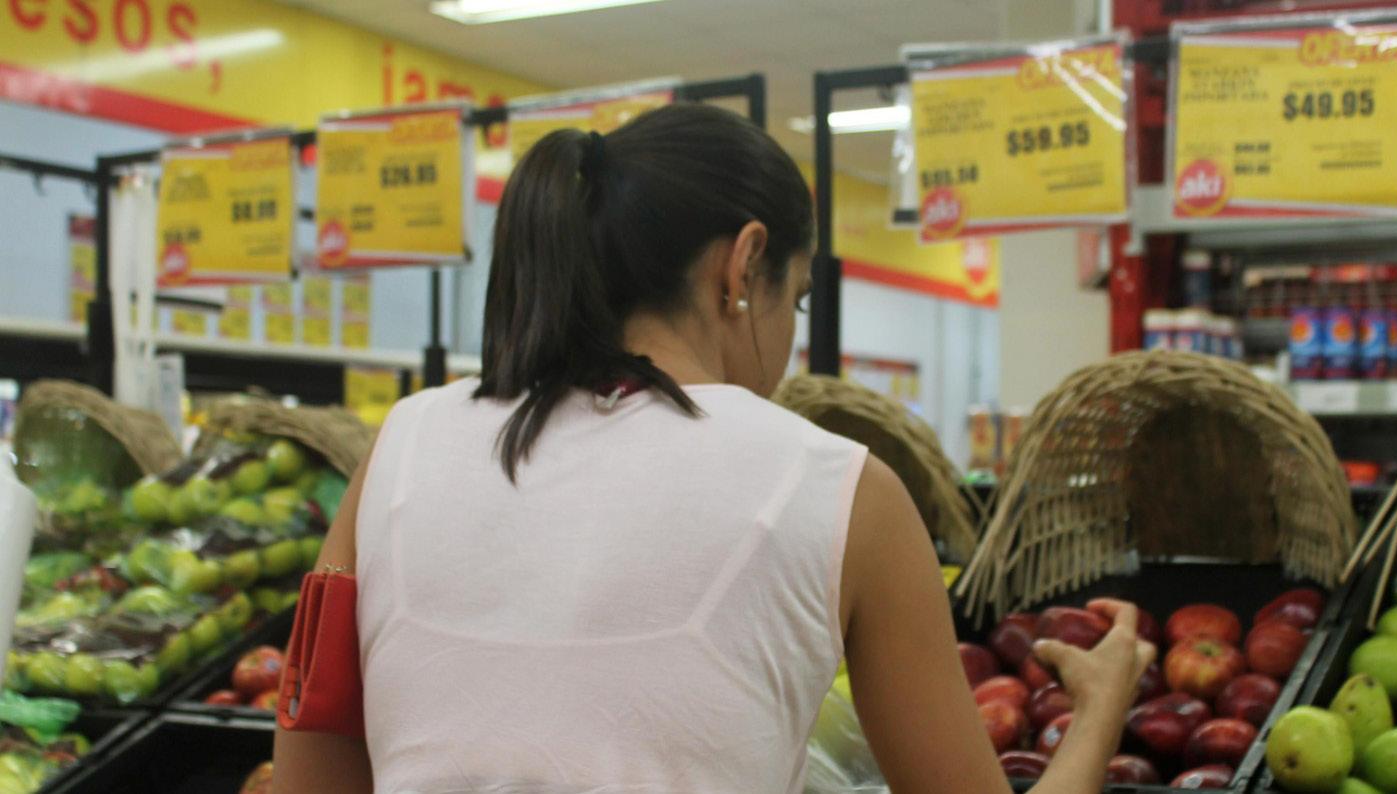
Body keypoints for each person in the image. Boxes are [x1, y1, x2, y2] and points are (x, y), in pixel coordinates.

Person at [273, 104, 1155, 794]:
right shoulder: (842, 488)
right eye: (797, 299)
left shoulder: (402, 447)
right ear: (743, 265)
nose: (791, 338)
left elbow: (309, 769)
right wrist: (1099, 708)